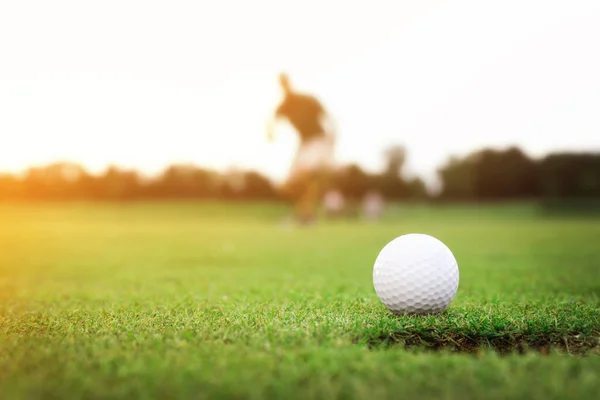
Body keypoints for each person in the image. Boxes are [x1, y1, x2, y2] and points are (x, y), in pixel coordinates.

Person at [267, 73, 336, 224]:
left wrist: (332, 138)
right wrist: (270, 133)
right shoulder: (283, 106)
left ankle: (307, 214)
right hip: (304, 145)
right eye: (281, 84)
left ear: (289, 83)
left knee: (306, 174)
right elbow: (271, 121)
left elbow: (326, 116)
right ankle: (305, 213)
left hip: (318, 141)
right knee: (288, 183)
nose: (284, 86)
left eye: (285, 83)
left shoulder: (306, 100)